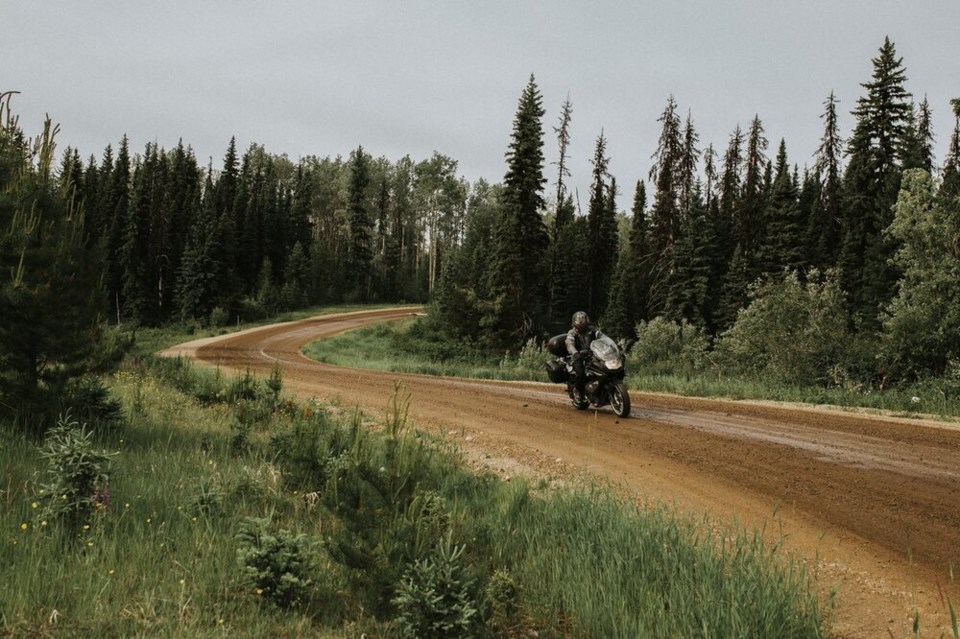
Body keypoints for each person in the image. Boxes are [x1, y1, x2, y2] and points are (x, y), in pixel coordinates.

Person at [565, 311, 603, 397]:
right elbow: (569, 343)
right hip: (578, 356)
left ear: (587, 320)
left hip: (593, 353)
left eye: (583, 320)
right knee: (580, 373)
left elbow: (602, 337)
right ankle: (579, 391)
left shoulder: (593, 330)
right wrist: (575, 352)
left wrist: (612, 345)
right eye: (579, 321)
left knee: (604, 367)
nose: (581, 323)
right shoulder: (572, 332)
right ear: (574, 322)